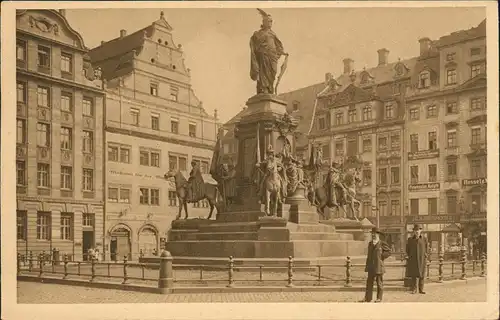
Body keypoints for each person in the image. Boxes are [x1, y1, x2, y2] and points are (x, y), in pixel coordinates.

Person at [250, 9, 288, 94]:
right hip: (263, 57)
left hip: (272, 57)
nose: (270, 23)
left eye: (271, 21)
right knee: (263, 74)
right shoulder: (258, 33)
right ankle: (264, 89)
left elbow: (279, 46)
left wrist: (283, 53)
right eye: (269, 21)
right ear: (264, 22)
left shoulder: (273, 34)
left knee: (273, 73)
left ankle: (270, 88)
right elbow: (253, 44)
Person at [361, 227, 392, 303]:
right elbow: (369, 256)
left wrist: (382, 256)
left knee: (379, 283)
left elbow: (389, 252)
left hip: (378, 266)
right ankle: (368, 298)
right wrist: (367, 266)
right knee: (369, 283)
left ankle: (379, 298)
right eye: (372, 233)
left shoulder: (382, 243)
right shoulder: (370, 244)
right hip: (371, 267)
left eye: (375, 233)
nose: (373, 235)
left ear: (378, 234)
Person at [406, 224, 429, 294]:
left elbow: (427, 248)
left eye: (418, 230)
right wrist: (410, 256)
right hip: (413, 259)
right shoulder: (410, 239)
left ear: (421, 231)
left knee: (422, 275)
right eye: (415, 230)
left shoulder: (424, 239)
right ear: (413, 231)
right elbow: (407, 249)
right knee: (414, 275)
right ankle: (414, 289)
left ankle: (421, 289)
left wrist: (425, 255)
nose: (417, 231)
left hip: (422, 259)